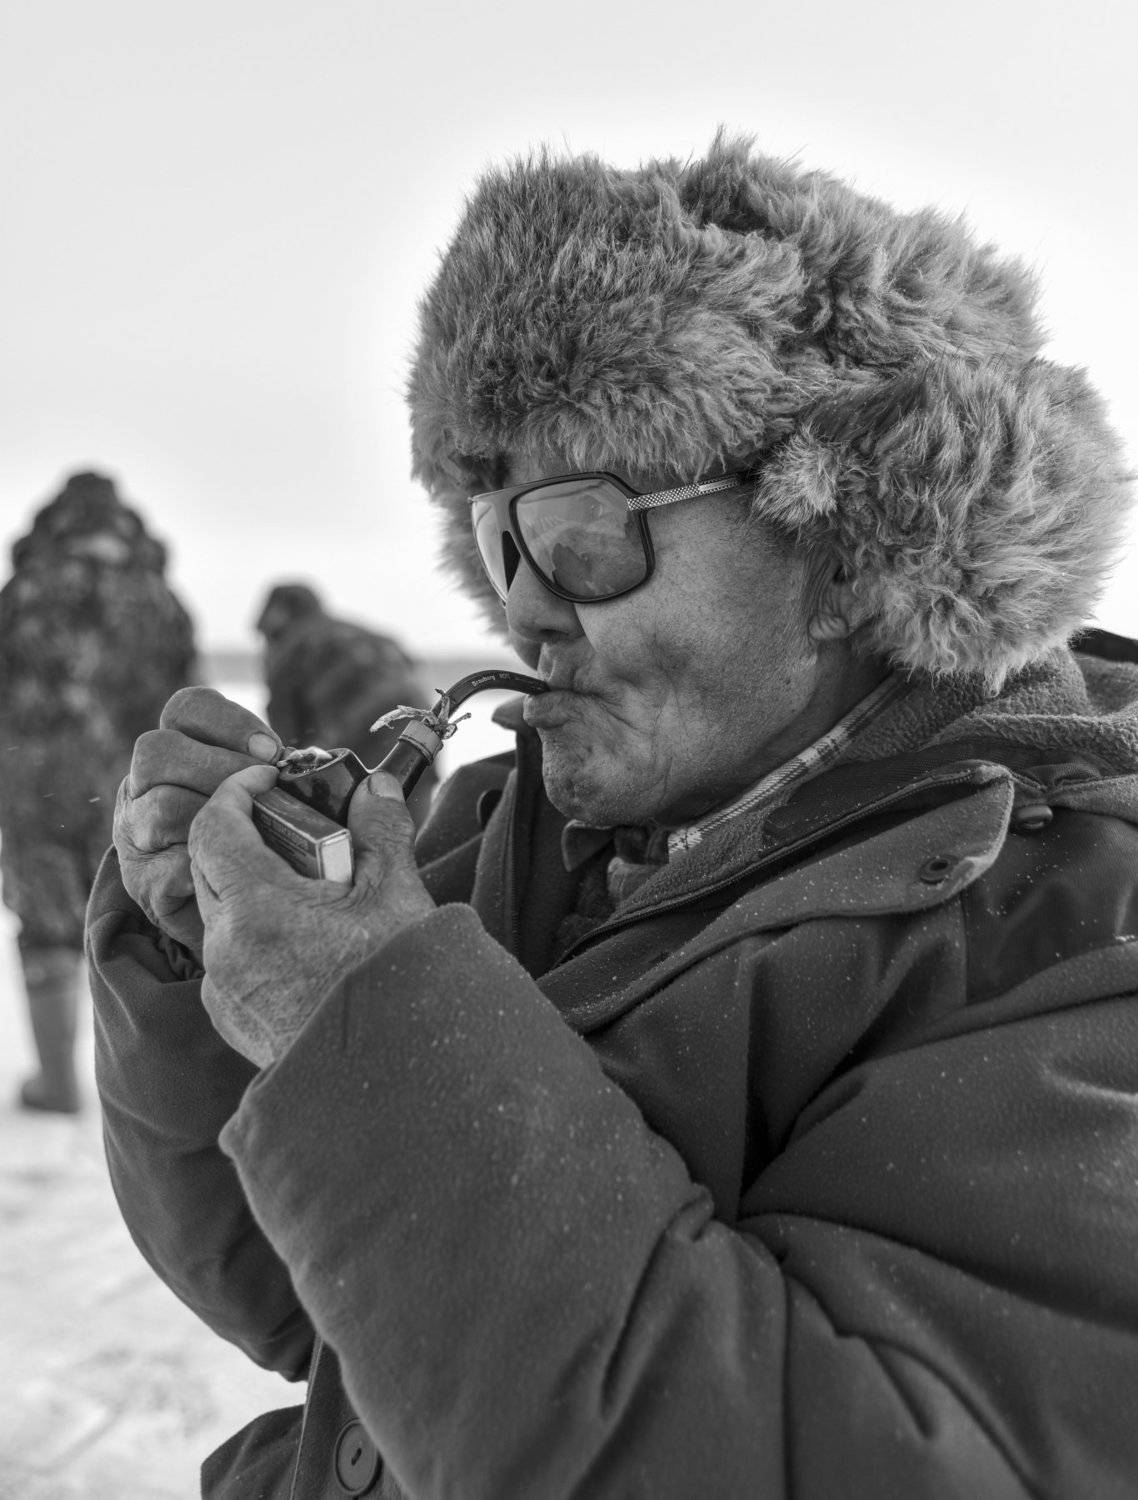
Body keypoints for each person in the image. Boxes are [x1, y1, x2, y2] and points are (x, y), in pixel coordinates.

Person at [86, 134, 1138, 1498]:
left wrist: (361, 1018)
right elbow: (295, 1299)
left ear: (846, 542)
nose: (523, 607)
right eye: (501, 538)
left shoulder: (1076, 933)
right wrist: (205, 955)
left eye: (586, 532)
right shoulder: (515, 828)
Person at [0, 470, 196, 1113]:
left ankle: (58, 1083)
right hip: (130, 788)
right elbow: (186, 704)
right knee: (137, 925)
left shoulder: (23, 593)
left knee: (47, 927)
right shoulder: (158, 599)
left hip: (36, 790)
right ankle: (152, 1093)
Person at [253, 582, 438, 827]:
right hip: (418, 743)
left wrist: (285, 771)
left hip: (358, 753)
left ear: (277, 617)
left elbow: (285, 724)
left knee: (362, 835)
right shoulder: (364, 634)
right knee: (411, 834)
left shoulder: (294, 644)